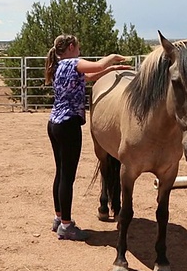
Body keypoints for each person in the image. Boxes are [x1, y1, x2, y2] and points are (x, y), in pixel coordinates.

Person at [46, 34, 132, 241]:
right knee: (68, 176)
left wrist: (111, 71)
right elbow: (98, 64)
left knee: (60, 173)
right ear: (72, 46)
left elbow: (90, 77)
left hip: (54, 124)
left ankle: (59, 219)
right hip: (68, 125)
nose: (79, 51)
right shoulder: (73, 62)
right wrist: (111, 58)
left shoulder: (59, 67)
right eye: (78, 47)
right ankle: (66, 226)